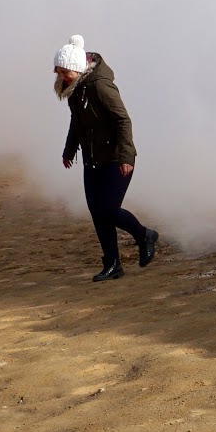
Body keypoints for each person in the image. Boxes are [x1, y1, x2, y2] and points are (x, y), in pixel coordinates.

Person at [54, 34, 159, 281]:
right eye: (57, 72)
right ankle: (113, 264)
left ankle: (144, 235)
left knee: (108, 209)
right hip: (93, 158)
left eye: (63, 73)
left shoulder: (101, 86)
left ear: (76, 69)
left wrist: (126, 156)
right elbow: (77, 122)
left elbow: (123, 120)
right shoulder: (76, 89)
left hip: (115, 157)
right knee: (97, 212)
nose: (59, 78)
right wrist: (69, 150)